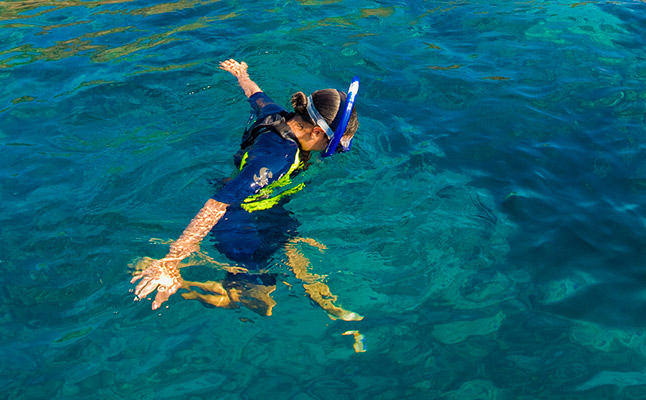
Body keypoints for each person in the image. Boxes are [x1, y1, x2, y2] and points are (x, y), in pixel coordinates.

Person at [131, 59, 361, 319]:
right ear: (317, 132)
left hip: (265, 203)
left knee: (282, 259)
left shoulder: (276, 113)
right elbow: (218, 204)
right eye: (333, 145)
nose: (330, 151)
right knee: (260, 297)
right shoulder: (277, 160)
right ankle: (192, 284)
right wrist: (173, 259)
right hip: (237, 211)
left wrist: (241, 73)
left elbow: (254, 92)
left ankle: (275, 282)